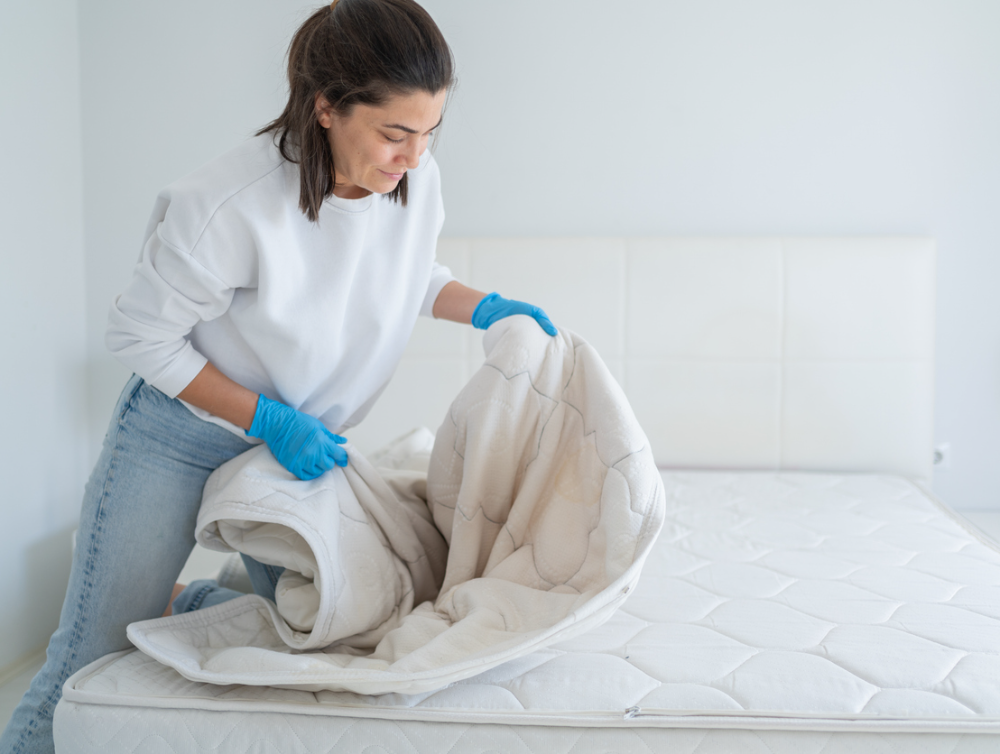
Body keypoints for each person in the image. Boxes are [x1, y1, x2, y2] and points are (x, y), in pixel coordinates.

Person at [0, 2, 555, 752]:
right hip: (179, 438)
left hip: (291, 449)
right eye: (395, 133)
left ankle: (192, 601)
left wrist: (483, 306)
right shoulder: (228, 203)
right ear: (326, 106)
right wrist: (269, 418)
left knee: (328, 632)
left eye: (430, 132)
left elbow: (403, 273)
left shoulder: (412, 178)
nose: (415, 156)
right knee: (87, 656)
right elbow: (140, 335)